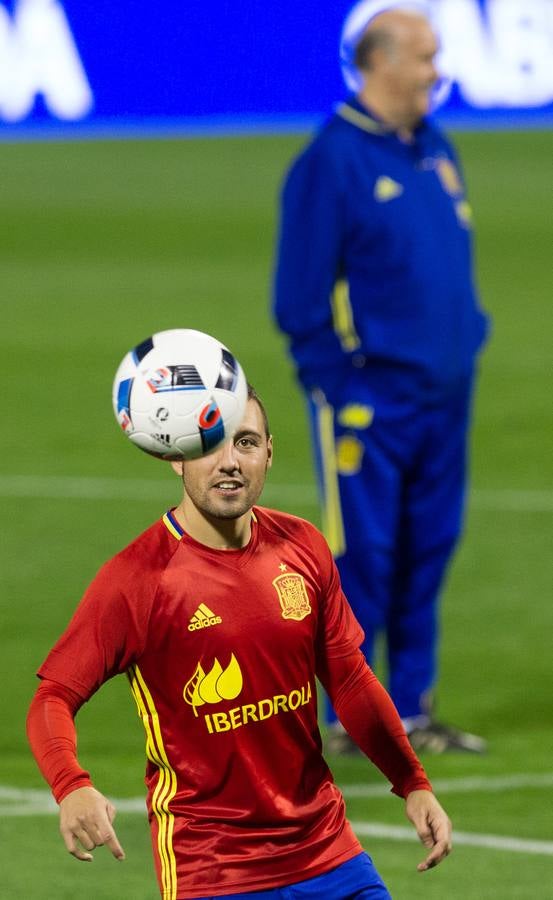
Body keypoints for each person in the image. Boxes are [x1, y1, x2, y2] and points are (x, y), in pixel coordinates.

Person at [27, 384, 452, 899]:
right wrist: (72, 786)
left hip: (328, 852)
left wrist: (412, 782)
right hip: (214, 870)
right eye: (210, 443)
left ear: (269, 452)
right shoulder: (137, 580)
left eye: (246, 443)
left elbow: (351, 678)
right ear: (177, 457)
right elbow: (53, 697)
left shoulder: (303, 546)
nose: (230, 461)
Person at [273, 0, 489, 754]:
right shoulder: (330, 162)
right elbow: (298, 298)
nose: (438, 71)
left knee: (429, 549)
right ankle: (349, 719)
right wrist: (338, 385)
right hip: (371, 402)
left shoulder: (433, 147)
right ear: (382, 62)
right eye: (426, 57)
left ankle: (411, 711)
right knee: (363, 556)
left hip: (443, 395)